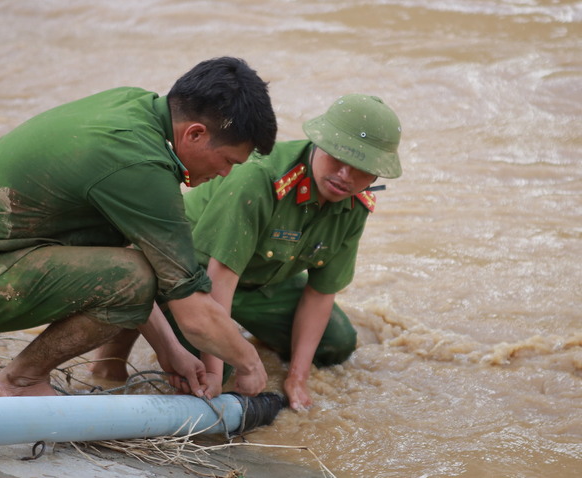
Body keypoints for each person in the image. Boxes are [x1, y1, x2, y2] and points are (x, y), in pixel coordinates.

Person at [0, 57, 277, 398]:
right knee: (137, 279)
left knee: (136, 272)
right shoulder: (139, 164)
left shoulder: (133, 108)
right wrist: (249, 363)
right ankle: (21, 379)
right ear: (194, 134)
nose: (226, 174)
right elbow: (190, 313)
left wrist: (170, 351)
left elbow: (130, 259)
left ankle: (33, 376)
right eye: (228, 160)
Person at [92, 94, 403, 410]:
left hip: (260, 285)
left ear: (376, 175)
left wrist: (297, 378)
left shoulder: (355, 202)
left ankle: (251, 336)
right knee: (216, 370)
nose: (345, 177)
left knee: (336, 344)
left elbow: (321, 293)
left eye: (361, 169)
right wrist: (217, 373)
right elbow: (219, 280)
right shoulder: (259, 178)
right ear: (318, 145)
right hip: (191, 276)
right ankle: (116, 354)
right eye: (338, 159)